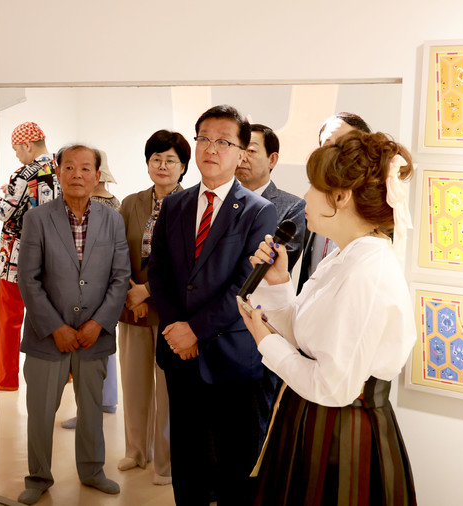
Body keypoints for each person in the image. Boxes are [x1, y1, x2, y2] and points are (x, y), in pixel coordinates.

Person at [238, 129, 418, 505]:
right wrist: (279, 282)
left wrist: (265, 342)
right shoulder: (343, 256)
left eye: (313, 187)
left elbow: (334, 387)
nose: (304, 197)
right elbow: (306, 335)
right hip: (311, 419)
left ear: (341, 196)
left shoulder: (368, 271)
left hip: (340, 436)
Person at [148, 105, 278, 505]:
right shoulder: (175, 205)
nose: (211, 148)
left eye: (223, 141)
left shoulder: (259, 211)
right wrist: (177, 328)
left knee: (234, 464)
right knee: (188, 461)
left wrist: (195, 330)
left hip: (231, 358)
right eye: (204, 138)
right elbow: (159, 271)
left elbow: (246, 284)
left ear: (241, 153)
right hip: (179, 354)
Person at [16, 144, 129, 504]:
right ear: (58, 172)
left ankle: (93, 471)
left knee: (92, 410)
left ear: (97, 175)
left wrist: (99, 323)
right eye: (69, 167)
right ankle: (38, 477)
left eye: (85, 168)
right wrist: (56, 327)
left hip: (94, 335)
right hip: (47, 335)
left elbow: (120, 277)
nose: (77, 174)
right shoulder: (37, 218)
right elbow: (28, 279)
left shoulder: (113, 219)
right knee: (40, 411)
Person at [116, 129, 190, 486]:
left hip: (172, 314)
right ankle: (136, 451)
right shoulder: (130, 203)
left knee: (168, 391)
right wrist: (133, 294)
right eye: (156, 159)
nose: (162, 166)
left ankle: (166, 462)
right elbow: (118, 252)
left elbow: (187, 264)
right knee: (134, 385)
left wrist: (148, 292)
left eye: (170, 160)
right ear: (147, 163)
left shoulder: (192, 205)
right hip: (132, 309)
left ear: (183, 167)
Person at [0, 121, 60, 391]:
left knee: (10, 319)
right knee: (51, 316)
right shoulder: (61, 167)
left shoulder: (24, 173)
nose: (16, 155)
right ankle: (63, 374)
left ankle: (6, 379)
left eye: (16, 150)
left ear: (27, 145)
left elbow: (5, 212)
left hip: (16, 258)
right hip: (53, 257)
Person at [61, 149, 119, 430]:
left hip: (90, 291)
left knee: (88, 356)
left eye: (85, 169)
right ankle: (106, 401)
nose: (78, 176)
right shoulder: (116, 202)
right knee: (104, 353)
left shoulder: (94, 206)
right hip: (106, 292)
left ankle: (89, 410)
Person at [297, 112, 371, 293]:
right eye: (327, 145)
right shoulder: (313, 210)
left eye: (343, 145)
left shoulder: (375, 219)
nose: (334, 153)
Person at [235, 123, 306, 272]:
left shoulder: (293, 207)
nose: (242, 157)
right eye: (239, 150)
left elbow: (279, 264)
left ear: (272, 159)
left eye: (251, 151)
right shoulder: (223, 199)